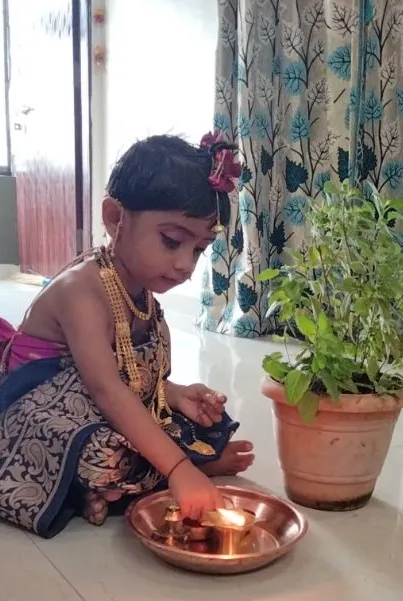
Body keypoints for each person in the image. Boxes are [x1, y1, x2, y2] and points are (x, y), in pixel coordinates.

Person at [0, 133, 254, 538]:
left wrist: (174, 393)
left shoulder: (140, 289)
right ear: (115, 218)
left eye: (199, 249)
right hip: (37, 407)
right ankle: (175, 471)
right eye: (172, 241)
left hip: (94, 397)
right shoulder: (81, 291)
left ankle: (110, 488)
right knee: (99, 449)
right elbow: (108, 389)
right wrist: (178, 467)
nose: (185, 264)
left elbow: (131, 373)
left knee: (196, 420)